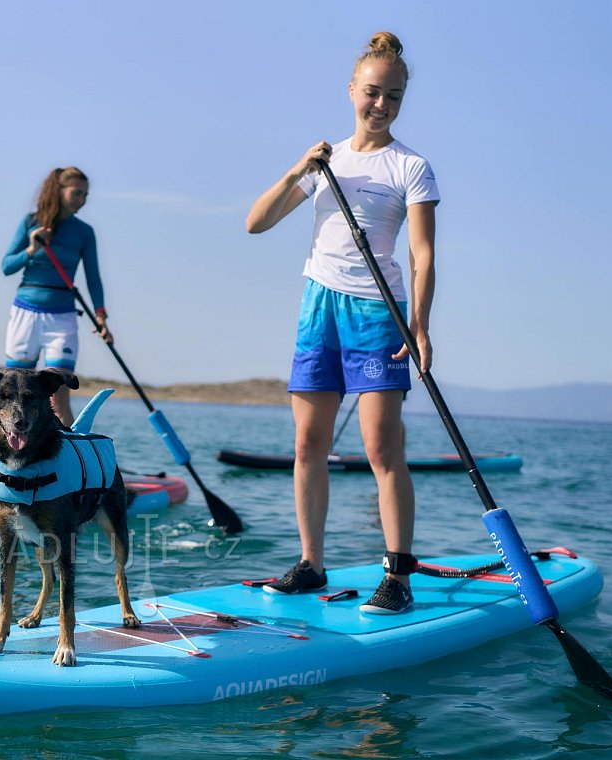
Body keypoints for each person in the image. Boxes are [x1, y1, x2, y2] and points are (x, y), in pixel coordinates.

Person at [245, 32, 439, 613]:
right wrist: (296, 170)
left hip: (378, 312)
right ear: (352, 90)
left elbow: (423, 253)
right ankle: (311, 565)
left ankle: (397, 576)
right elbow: (256, 223)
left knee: (382, 449)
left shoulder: (412, 166)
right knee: (308, 445)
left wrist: (420, 324)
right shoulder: (326, 160)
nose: (381, 105)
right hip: (318, 306)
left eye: (394, 97)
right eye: (372, 93)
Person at [1, 167, 112, 427]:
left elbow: (93, 278)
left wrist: (100, 316)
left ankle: (71, 455)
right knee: (17, 395)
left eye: (85, 195)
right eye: (76, 193)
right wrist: (32, 249)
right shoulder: (32, 222)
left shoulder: (84, 232)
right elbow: (7, 266)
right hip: (24, 313)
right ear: (59, 191)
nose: (82, 200)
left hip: (62, 316)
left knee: (58, 398)